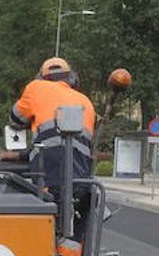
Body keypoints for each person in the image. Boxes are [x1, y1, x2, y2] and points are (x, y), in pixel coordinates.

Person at [8, 57, 97, 197]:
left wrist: (29, 122)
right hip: (82, 180)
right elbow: (71, 144)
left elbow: (15, 118)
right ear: (72, 78)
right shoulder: (86, 102)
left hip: (48, 177)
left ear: (41, 77)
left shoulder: (35, 87)